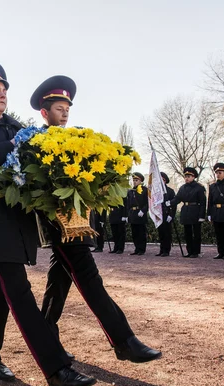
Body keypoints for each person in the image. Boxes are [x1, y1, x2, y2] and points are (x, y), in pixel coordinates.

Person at [0, 60, 94, 386]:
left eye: (4, 90)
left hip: (17, 217)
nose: (2, 95)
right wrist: (10, 147)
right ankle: (56, 368)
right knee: (18, 290)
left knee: (0, 291)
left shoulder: (16, 126)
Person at [31, 75, 161, 364]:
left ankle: (47, 333)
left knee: (60, 278)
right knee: (88, 277)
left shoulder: (79, 138)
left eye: (67, 108)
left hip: (80, 217)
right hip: (58, 221)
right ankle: (123, 340)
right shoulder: (35, 142)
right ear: (44, 112)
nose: (64, 113)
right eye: (58, 108)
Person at [168, 167, 207, 258]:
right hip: (186, 211)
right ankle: (189, 251)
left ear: (193, 177)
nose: (187, 178)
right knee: (187, 233)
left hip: (195, 211)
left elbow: (202, 203)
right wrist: (170, 202)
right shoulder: (183, 187)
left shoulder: (199, 188)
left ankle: (196, 251)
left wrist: (202, 215)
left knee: (196, 233)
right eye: (185, 176)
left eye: (189, 176)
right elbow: (178, 198)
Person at [127, 172, 149, 255]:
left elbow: (147, 202)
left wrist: (143, 211)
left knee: (141, 233)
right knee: (134, 233)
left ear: (141, 181)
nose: (135, 182)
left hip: (140, 213)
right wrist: (128, 214)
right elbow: (128, 204)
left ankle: (142, 249)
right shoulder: (131, 191)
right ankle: (136, 248)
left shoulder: (144, 190)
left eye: (136, 180)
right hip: (133, 213)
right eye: (134, 180)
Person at [156, 172, 176, 257]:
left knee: (167, 233)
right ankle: (161, 249)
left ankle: (166, 250)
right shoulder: (156, 191)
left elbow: (173, 205)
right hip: (159, 214)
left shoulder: (170, 191)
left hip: (167, 214)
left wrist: (171, 215)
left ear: (165, 181)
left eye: (163, 180)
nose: (161, 182)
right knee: (161, 233)